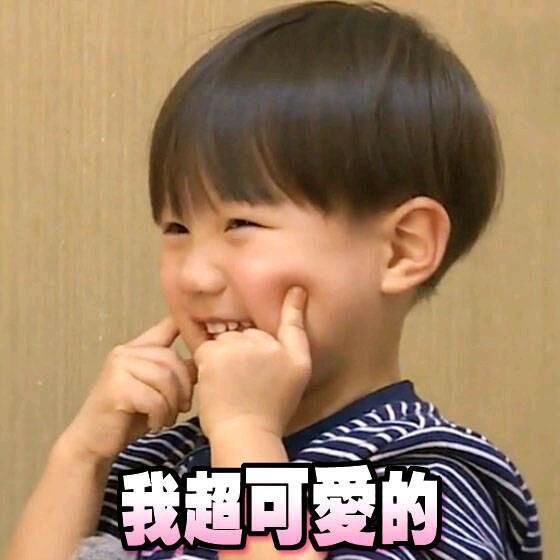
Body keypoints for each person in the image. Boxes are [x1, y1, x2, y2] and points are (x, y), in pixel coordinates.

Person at [4, 1, 543, 559]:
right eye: (177, 227)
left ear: (403, 249)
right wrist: (83, 455)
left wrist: (246, 435)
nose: (195, 275)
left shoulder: (428, 482)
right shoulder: (158, 466)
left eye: (241, 224)